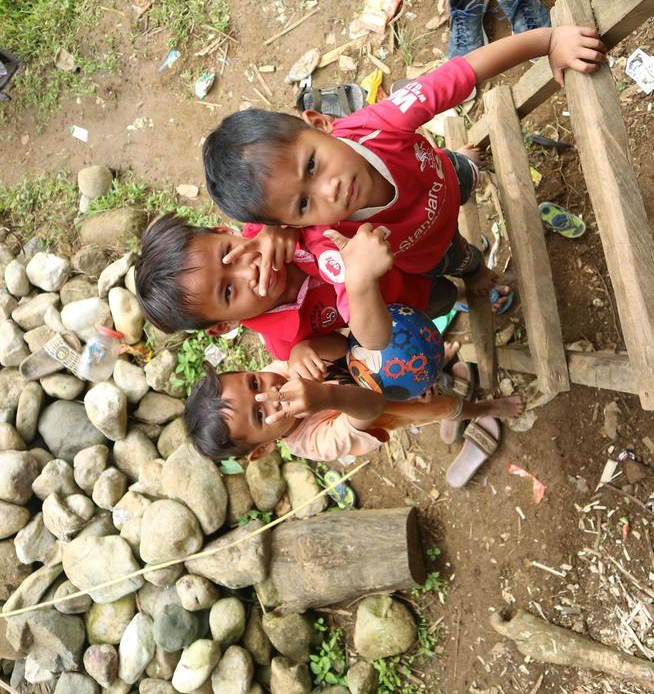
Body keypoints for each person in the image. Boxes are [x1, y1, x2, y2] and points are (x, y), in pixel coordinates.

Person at [203, 25, 606, 320]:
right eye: (305, 203)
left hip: (443, 175)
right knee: (464, 259)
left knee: (463, 170)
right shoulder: (335, 245)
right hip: (431, 251)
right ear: (294, 225)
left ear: (321, 122)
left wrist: (549, 41)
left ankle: (465, 161)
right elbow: (373, 337)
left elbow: (462, 73)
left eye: (311, 164)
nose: (330, 188)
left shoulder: (380, 123)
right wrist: (358, 282)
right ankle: (480, 274)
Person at [133, 213, 447, 361]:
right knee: (445, 298)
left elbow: (313, 167)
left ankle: (476, 274)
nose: (248, 271)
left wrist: (283, 220)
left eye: (228, 254)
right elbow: (350, 347)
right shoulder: (286, 343)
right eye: (228, 292)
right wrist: (309, 350)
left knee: (454, 255)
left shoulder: (275, 216)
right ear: (224, 325)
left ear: (223, 229)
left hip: (405, 243)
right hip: (404, 306)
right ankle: (464, 294)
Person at [184, 349, 524, 463]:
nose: (271, 392)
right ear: (261, 451)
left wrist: (304, 347)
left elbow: (337, 350)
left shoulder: (277, 372)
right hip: (389, 407)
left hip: (378, 369)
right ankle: (487, 409)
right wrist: (325, 396)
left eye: (254, 383)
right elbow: (370, 411)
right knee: (444, 406)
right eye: (260, 414)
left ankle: (438, 365)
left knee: (420, 365)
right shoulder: (315, 442)